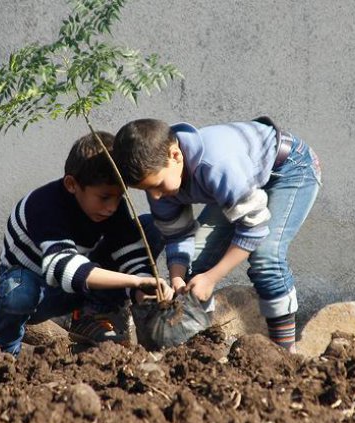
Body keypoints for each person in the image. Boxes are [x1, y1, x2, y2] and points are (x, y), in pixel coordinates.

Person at [112, 118, 321, 352]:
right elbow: (177, 234)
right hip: (239, 184)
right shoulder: (160, 182)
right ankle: (202, 347)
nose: (156, 196)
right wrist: (178, 278)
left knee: (265, 257)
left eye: (158, 185)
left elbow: (254, 229)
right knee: (195, 266)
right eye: (147, 190)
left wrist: (211, 278)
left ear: (175, 156)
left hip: (289, 168)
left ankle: (285, 354)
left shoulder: (216, 165)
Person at [0, 131, 172, 355]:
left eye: (119, 196)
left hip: (78, 280)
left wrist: (145, 290)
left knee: (151, 227)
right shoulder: (44, 206)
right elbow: (65, 268)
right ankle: (2, 353)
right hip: (39, 287)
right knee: (20, 291)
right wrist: (135, 282)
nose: (112, 207)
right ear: (72, 184)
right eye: (104, 197)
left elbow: (131, 258)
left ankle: (92, 315)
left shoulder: (112, 209)